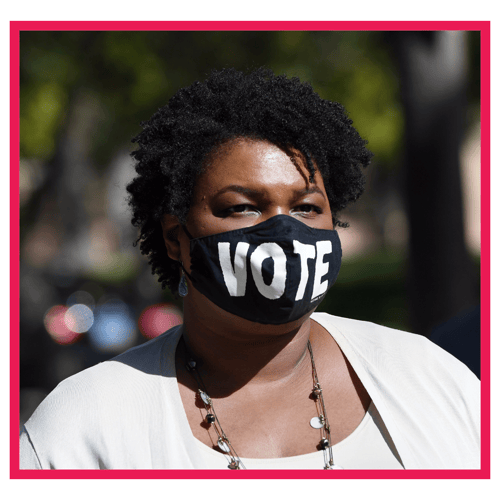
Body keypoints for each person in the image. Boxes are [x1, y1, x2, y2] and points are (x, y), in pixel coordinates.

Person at [20, 68, 480, 470]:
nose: (283, 231)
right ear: (177, 238)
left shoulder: (432, 379)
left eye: (305, 207)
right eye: (242, 207)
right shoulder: (84, 426)